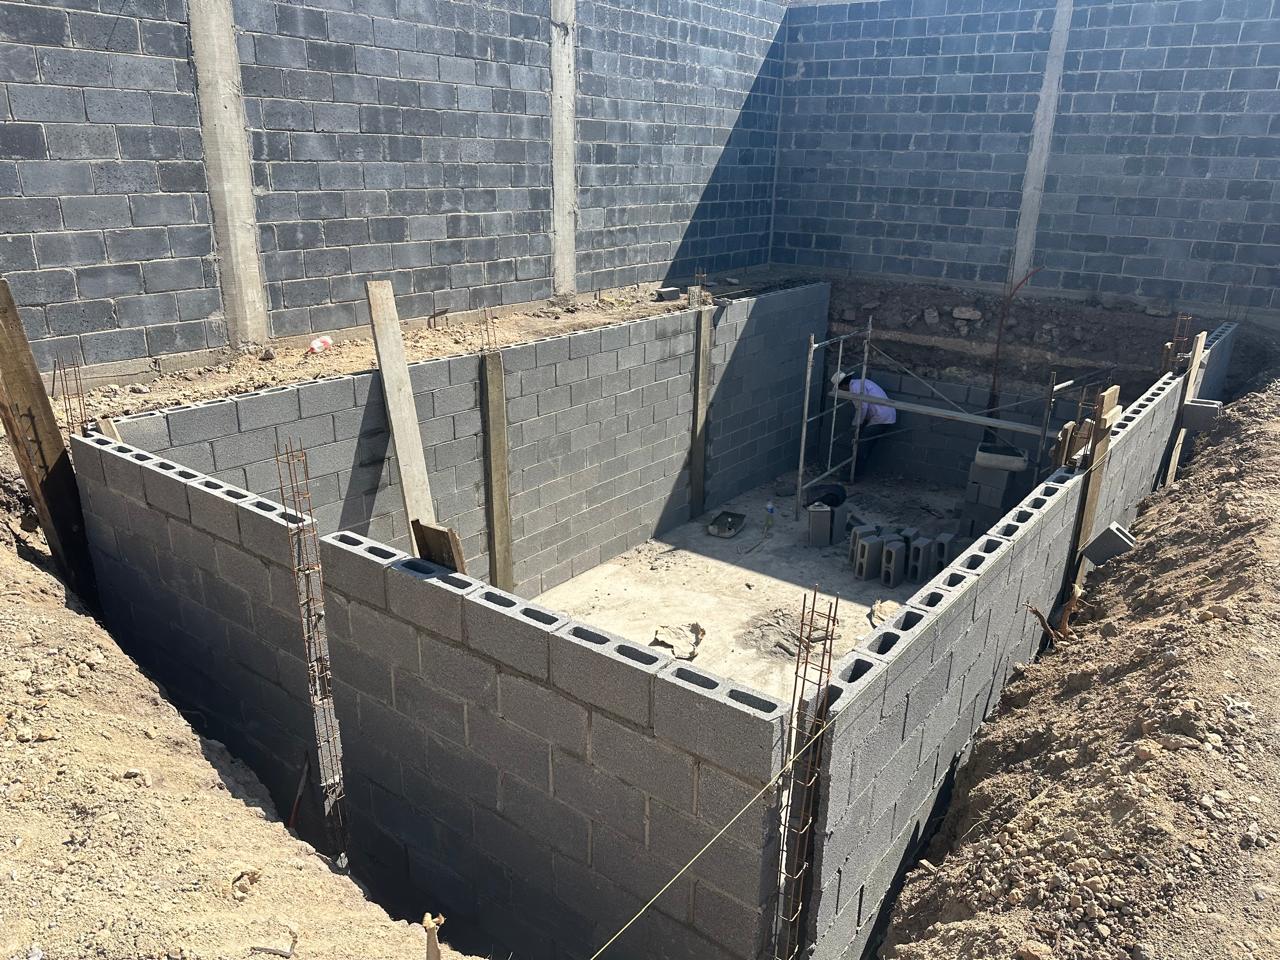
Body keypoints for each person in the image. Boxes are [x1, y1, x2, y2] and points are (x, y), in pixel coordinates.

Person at [833, 372, 896, 479]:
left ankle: (854, 475)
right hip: (883, 415)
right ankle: (854, 472)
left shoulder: (856, 388)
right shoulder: (859, 384)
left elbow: (862, 408)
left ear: (843, 385)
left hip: (881, 417)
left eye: (840, 388)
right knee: (864, 445)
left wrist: (855, 424)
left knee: (861, 447)